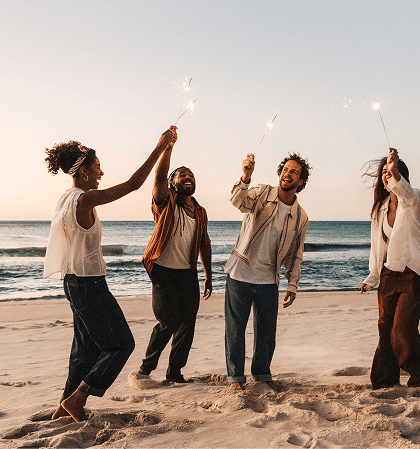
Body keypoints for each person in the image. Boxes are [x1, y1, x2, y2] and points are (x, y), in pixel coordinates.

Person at [44, 127, 176, 422]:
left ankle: (61, 409)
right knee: (121, 345)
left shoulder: (65, 198)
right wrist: (159, 147)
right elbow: (132, 184)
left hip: (73, 283)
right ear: (83, 173)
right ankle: (78, 399)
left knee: (84, 350)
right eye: (97, 168)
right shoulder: (83, 200)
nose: (101, 174)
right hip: (89, 286)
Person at [224, 152, 311, 390]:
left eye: (294, 172)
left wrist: (292, 284)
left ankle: (262, 376)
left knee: (266, 333)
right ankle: (235, 379)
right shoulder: (262, 192)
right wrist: (245, 176)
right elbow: (237, 202)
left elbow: (295, 254)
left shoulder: (301, 217)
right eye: (285, 169)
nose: (287, 174)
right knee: (235, 330)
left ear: (301, 181)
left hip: (268, 280)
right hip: (240, 273)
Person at [136, 129, 212, 384]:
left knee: (187, 324)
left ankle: (175, 373)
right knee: (168, 321)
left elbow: (204, 244)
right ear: (173, 183)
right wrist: (167, 148)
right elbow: (157, 179)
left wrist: (208, 277)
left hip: (188, 274)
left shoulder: (200, 211)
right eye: (182, 175)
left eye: (191, 175)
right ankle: (146, 369)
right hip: (163, 272)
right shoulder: (165, 202)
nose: (188, 178)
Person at [360, 148, 420, 390]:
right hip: (389, 274)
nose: (387, 176)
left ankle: (419, 371)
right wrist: (372, 277)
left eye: (392, 172)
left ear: (402, 176)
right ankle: (384, 381)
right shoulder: (380, 208)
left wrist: (394, 169)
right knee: (385, 329)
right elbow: (377, 248)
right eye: (384, 172)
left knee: (402, 328)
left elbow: (407, 194)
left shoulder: (414, 199)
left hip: (415, 273)